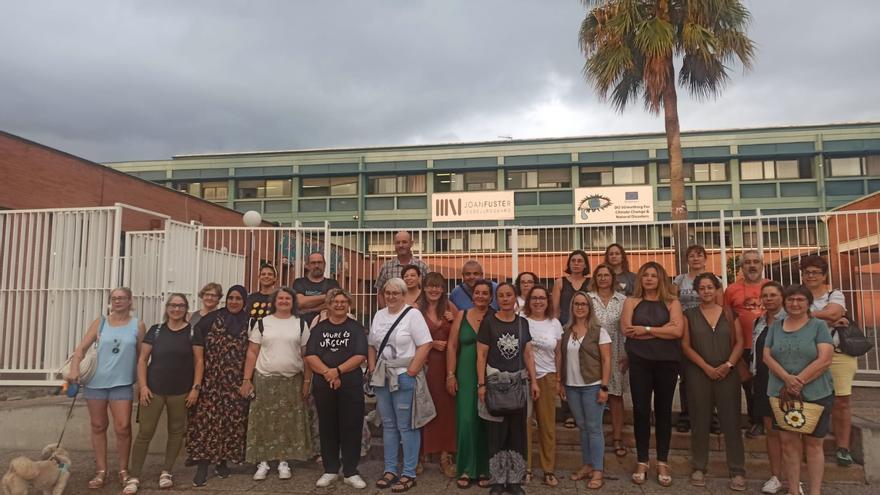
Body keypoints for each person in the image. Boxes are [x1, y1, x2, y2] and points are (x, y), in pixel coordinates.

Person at [65, 287, 146, 491]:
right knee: (98, 425)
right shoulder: (100, 322)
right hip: (95, 383)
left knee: (123, 427)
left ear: (130, 301)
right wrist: (74, 369)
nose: (117, 301)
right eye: (114, 298)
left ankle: (123, 470)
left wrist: (142, 383)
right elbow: (81, 349)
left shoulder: (138, 325)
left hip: (122, 383)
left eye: (122, 298)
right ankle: (101, 470)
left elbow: (142, 357)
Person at [127, 294, 203, 494]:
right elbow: (142, 360)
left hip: (181, 392)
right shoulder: (156, 330)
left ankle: (166, 472)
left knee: (176, 432)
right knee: (145, 433)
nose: (176, 309)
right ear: (167, 308)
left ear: (186, 308)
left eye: (181, 306)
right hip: (153, 390)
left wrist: (195, 388)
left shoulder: (193, 332)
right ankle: (134, 476)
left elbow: (199, 362)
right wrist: (143, 386)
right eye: (173, 305)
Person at [763, 285, 834, 495]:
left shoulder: (819, 326)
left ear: (809, 303)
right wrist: (786, 379)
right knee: (788, 444)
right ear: (784, 302)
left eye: (800, 300)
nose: (795, 304)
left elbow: (825, 358)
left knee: (814, 444)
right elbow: (767, 356)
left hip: (815, 393)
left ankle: (815, 491)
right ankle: (793, 490)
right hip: (782, 394)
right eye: (791, 299)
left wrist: (799, 381)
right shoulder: (776, 326)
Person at [681, 273, 746, 491]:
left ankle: (737, 470)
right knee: (699, 420)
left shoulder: (729, 313)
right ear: (697, 291)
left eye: (710, 287)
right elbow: (686, 346)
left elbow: (740, 342)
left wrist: (728, 364)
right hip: (699, 373)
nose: (706, 291)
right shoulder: (689, 315)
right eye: (702, 288)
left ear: (717, 289)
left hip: (728, 373)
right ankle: (699, 466)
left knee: (731, 422)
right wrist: (706, 367)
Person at [621, 262, 684, 487]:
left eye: (654, 275)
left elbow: (677, 331)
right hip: (640, 362)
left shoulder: (672, 302)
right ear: (640, 279)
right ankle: (642, 461)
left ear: (661, 279)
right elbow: (627, 330)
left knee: (663, 412)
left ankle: (663, 461)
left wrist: (646, 330)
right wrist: (662, 331)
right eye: (645, 275)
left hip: (667, 362)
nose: (649, 279)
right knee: (641, 411)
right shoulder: (631, 302)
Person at [368, 278, 433, 493]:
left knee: (407, 426)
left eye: (396, 293)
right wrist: (372, 368)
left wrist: (412, 371)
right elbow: (371, 344)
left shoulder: (413, 315)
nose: (391, 296)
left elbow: (425, 344)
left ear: (404, 295)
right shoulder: (379, 315)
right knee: (388, 425)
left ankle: (409, 472)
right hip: (383, 377)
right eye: (388, 292)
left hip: (404, 375)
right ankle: (390, 470)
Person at [241, 287, 313, 481]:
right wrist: (247, 380)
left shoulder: (300, 324)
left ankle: (283, 461)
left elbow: (306, 355)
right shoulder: (263, 323)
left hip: (292, 380)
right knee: (263, 421)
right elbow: (252, 352)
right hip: (265, 379)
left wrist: (307, 381)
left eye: (287, 298)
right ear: (274, 301)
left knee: (287, 423)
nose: (283, 301)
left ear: (293, 302)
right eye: (280, 298)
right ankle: (263, 462)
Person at [476, 282, 540, 495]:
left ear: (515, 298)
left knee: (517, 435)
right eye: (501, 295)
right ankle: (497, 480)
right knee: (497, 435)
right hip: (496, 385)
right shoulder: (488, 322)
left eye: (509, 295)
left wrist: (534, 381)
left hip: (518, 385)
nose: (505, 299)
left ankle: (514, 481)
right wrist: (481, 384)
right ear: (496, 298)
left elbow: (528, 354)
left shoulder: (522, 323)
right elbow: (481, 355)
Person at [187, 285, 251, 487]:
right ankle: (203, 466)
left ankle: (222, 462)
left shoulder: (249, 321)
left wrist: (247, 380)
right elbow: (198, 347)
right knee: (206, 422)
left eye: (238, 298)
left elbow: (253, 351)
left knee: (231, 422)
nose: (234, 302)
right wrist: (198, 382)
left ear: (244, 301)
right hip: (211, 380)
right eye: (231, 298)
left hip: (235, 382)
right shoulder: (212, 319)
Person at [305, 289, 369, 489]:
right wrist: (328, 373)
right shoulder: (319, 329)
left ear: (348, 304)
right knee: (327, 427)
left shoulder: (356, 328)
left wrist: (337, 371)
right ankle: (330, 469)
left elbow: (360, 355)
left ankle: (351, 471)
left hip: (350, 385)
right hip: (324, 385)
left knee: (351, 427)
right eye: (335, 302)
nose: (339, 305)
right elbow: (310, 355)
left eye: (343, 302)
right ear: (329, 305)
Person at [800, 255, 856, 467]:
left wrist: (806, 314)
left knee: (841, 401)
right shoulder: (799, 295)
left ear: (824, 275)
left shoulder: (835, 294)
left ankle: (843, 447)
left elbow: (834, 312)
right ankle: (811, 446)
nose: (811, 276)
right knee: (808, 402)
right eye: (807, 272)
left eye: (815, 272)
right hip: (808, 355)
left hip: (837, 354)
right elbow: (789, 314)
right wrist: (827, 317)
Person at [558, 291, 611, 489]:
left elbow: (606, 360)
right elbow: (561, 357)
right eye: (576, 304)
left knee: (594, 428)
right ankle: (587, 464)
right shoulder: (566, 330)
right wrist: (561, 382)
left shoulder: (598, 331)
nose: (580, 307)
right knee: (582, 427)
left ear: (590, 307)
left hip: (592, 385)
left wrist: (604, 386)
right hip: (572, 386)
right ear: (572, 307)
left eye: (584, 304)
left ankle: (598, 470)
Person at [447, 279, 493, 489]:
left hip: (489, 374)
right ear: (472, 296)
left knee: (486, 421)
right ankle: (466, 468)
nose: (481, 296)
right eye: (477, 293)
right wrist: (450, 374)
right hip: (465, 374)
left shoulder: (495, 316)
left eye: (485, 293)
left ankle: (485, 468)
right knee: (466, 420)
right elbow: (452, 345)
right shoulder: (462, 315)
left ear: (491, 297)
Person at [672, 244, 722, 433]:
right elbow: (673, 303)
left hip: (708, 330)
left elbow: (720, 306)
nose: (695, 259)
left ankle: (712, 416)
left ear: (705, 258)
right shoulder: (679, 280)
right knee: (687, 376)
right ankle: (686, 415)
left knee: (710, 374)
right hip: (686, 329)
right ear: (687, 259)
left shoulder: (715, 280)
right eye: (691, 256)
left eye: (699, 255)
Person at [416, 272, 458, 478]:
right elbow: (407, 336)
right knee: (422, 410)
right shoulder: (416, 309)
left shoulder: (450, 308)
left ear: (443, 289)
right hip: (424, 366)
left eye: (438, 286)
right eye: (430, 286)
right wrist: (431, 344)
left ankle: (444, 456)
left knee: (445, 411)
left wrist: (455, 319)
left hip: (445, 366)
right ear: (423, 288)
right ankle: (420, 456)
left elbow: (461, 334)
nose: (434, 290)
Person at [724, 250, 770, 438]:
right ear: (741, 267)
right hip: (743, 346)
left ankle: (770, 421)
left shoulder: (772, 286)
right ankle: (755, 422)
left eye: (756, 262)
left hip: (768, 345)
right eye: (747, 262)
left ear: (762, 265)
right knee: (748, 385)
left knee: (766, 385)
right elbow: (727, 319)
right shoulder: (732, 290)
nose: (752, 266)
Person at [586, 263, 629, 458]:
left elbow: (627, 328)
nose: (603, 278)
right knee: (591, 396)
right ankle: (594, 438)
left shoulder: (623, 300)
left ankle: (618, 437)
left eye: (606, 275)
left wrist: (627, 353)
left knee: (615, 396)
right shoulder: (588, 299)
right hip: (591, 355)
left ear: (613, 278)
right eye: (599, 275)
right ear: (595, 278)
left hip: (616, 352)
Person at [522, 284, 562, 486]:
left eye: (542, 298)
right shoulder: (522, 321)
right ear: (528, 301)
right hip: (524, 378)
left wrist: (559, 379)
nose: (538, 301)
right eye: (534, 298)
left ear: (548, 301)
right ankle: (526, 468)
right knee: (525, 425)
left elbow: (558, 353)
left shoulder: (554, 323)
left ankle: (548, 469)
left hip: (547, 376)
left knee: (547, 425)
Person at [751, 282, 787, 494]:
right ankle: (776, 476)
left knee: (790, 433)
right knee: (771, 430)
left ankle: (794, 477)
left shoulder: (792, 320)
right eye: (765, 295)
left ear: (782, 297)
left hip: (786, 381)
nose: (769, 299)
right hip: (764, 381)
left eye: (773, 295)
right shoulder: (759, 321)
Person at [375, 231, 429, 308]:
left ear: (411, 244)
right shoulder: (386, 267)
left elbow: (429, 291)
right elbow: (380, 293)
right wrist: (386, 312)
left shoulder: (422, 266)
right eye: (398, 242)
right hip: (393, 312)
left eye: (404, 242)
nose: (401, 245)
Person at [294, 252, 340, 327]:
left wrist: (310, 309)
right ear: (307, 265)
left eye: (319, 262)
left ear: (324, 265)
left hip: (325, 326)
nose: (317, 265)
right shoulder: (299, 282)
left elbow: (334, 305)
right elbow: (300, 302)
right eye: (313, 263)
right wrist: (327, 296)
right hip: (302, 326)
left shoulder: (332, 283)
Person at [552, 249, 590, 326]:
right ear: (569, 264)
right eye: (573, 261)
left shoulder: (591, 283)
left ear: (585, 265)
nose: (576, 263)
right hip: (564, 325)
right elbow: (555, 310)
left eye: (579, 261)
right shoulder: (559, 282)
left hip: (586, 325)